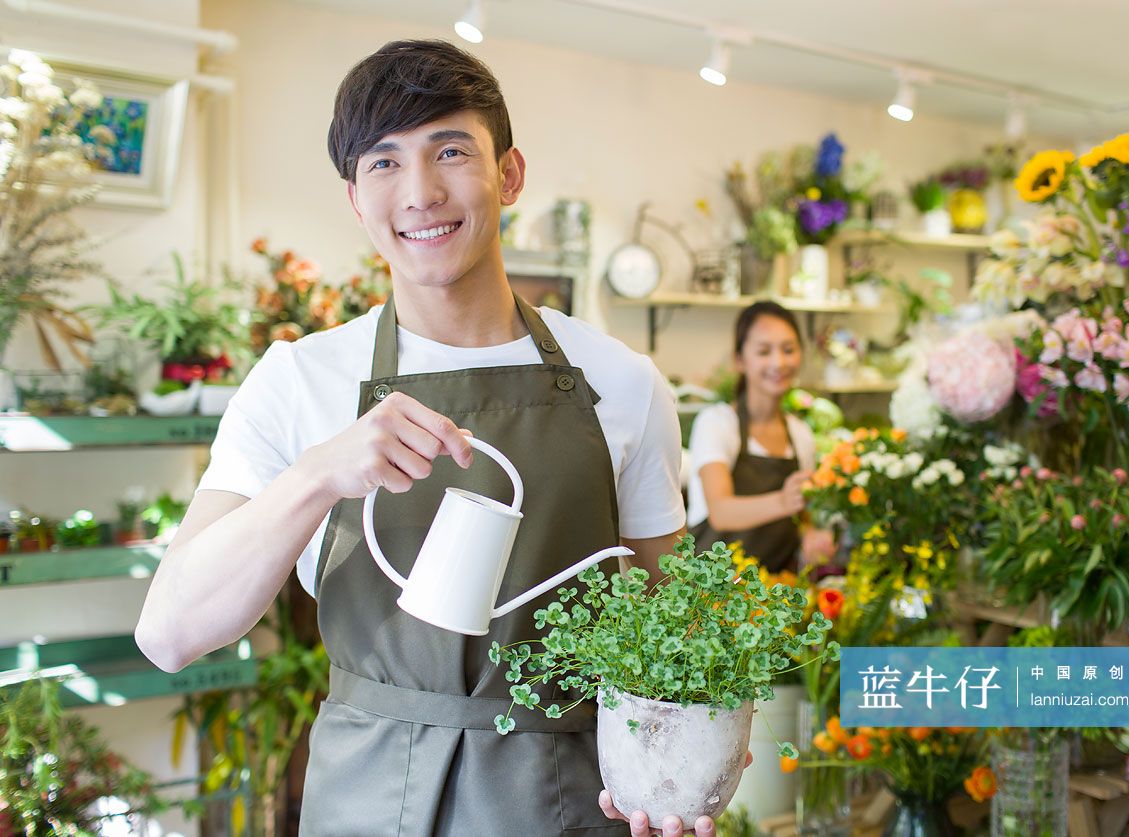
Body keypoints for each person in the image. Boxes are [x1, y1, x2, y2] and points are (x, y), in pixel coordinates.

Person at [134, 39, 719, 837]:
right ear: (353, 196)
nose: (420, 192)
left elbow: (671, 624)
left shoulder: (621, 380)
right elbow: (170, 633)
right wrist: (316, 475)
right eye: (384, 162)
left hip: (566, 799)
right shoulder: (299, 379)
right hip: (366, 801)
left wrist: (686, 757)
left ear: (508, 174)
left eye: (450, 151)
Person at [687, 302, 836, 572]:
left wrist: (812, 535)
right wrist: (782, 501)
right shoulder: (718, 423)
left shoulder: (800, 435)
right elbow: (720, 511)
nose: (778, 362)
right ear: (740, 360)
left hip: (775, 594)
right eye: (764, 351)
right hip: (712, 596)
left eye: (788, 350)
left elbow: (800, 517)